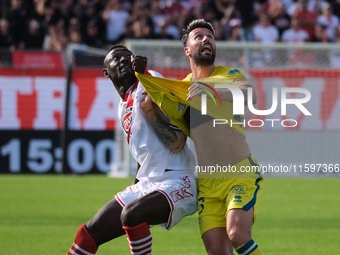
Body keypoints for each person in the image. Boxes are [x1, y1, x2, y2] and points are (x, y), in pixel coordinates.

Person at [66, 45, 197, 255]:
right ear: (106, 72)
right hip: (147, 183)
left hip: (177, 179)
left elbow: (177, 143)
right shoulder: (122, 105)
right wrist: (135, 187)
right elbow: (142, 154)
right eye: (116, 58)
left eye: (127, 56)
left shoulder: (150, 79)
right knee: (88, 232)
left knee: (131, 214)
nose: (123, 60)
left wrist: (144, 73)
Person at [182, 19, 263, 255]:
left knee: (237, 234)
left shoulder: (230, 75)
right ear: (187, 50)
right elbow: (177, 137)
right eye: (199, 36)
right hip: (207, 184)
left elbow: (251, 95)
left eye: (210, 36)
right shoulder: (183, 90)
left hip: (239, 174)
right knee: (218, 252)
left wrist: (210, 90)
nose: (206, 38)